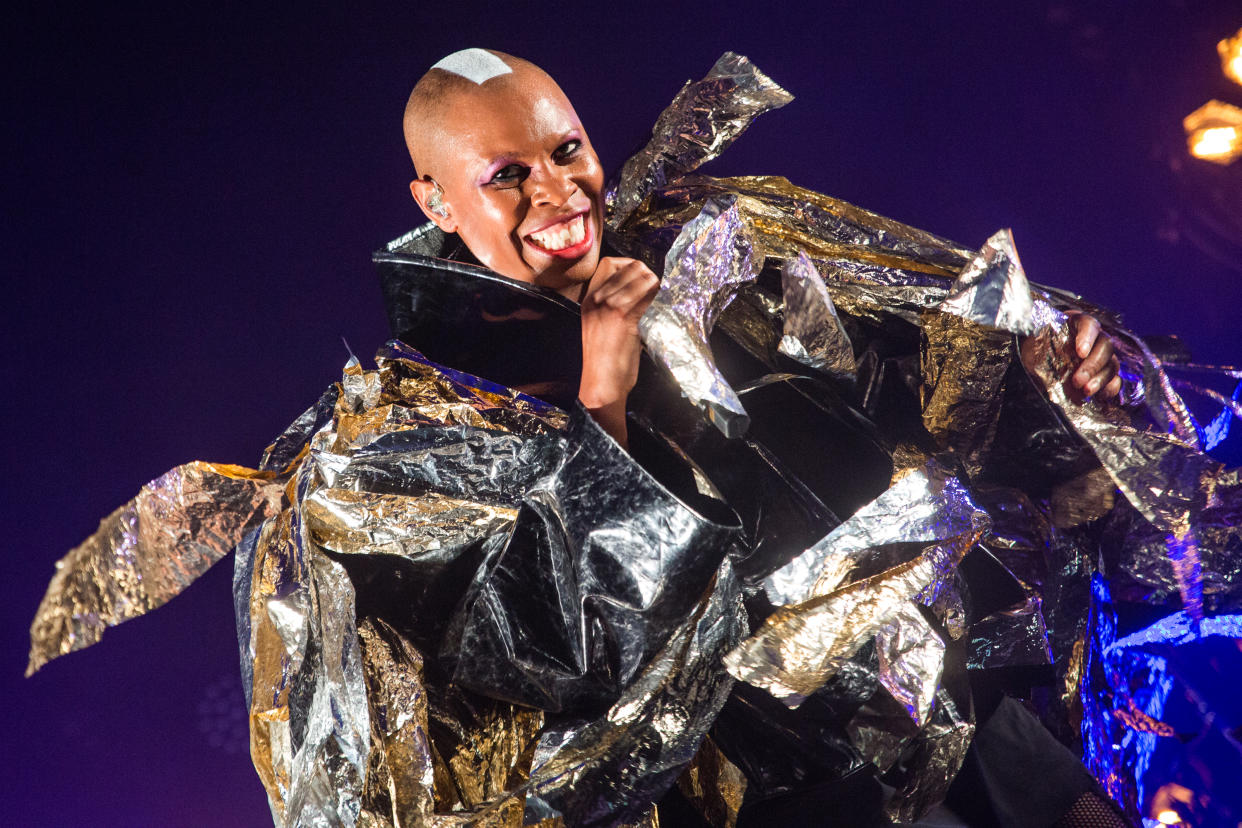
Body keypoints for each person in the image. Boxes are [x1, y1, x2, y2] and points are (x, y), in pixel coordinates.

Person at [400, 48, 1122, 455]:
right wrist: (604, 394)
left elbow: (902, 378)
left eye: (567, 150)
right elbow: (563, 632)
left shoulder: (702, 235)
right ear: (436, 204)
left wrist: (1045, 367)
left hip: (930, 668)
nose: (559, 189)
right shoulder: (440, 402)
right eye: (509, 176)